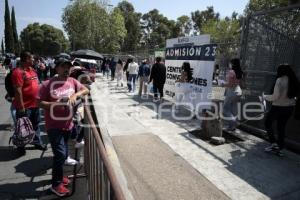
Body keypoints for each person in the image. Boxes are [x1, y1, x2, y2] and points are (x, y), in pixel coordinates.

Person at [38, 59, 89, 196]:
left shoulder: (72, 81)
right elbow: (40, 103)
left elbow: (85, 90)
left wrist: (75, 95)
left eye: (68, 67)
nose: (67, 69)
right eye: (63, 67)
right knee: (60, 154)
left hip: (68, 124)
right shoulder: (47, 84)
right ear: (57, 69)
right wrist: (57, 104)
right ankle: (56, 185)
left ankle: (59, 178)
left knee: (63, 153)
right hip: (54, 126)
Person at [12, 51, 47, 155]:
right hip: (25, 106)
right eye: (32, 58)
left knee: (35, 125)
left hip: (35, 104)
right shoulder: (17, 72)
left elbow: (36, 84)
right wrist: (21, 107)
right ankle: (20, 146)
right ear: (26, 59)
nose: (34, 60)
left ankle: (37, 142)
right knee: (22, 127)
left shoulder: (32, 70)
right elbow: (18, 91)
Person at [264, 64, 300, 156]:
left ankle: (273, 143)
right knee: (281, 127)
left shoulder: (280, 80)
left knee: (268, 123)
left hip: (278, 107)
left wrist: (265, 97)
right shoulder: (294, 80)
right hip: (289, 108)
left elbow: (275, 96)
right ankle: (280, 149)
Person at [221, 58, 243, 131]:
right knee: (233, 109)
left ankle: (234, 121)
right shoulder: (240, 72)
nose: (229, 64)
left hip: (232, 92)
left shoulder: (231, 72)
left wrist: (223, 84)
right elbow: (240, 83)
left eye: (230, 63)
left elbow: (230, 84)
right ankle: (232, 127)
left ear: (233, 64)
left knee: (225, 109)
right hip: (238, 91)